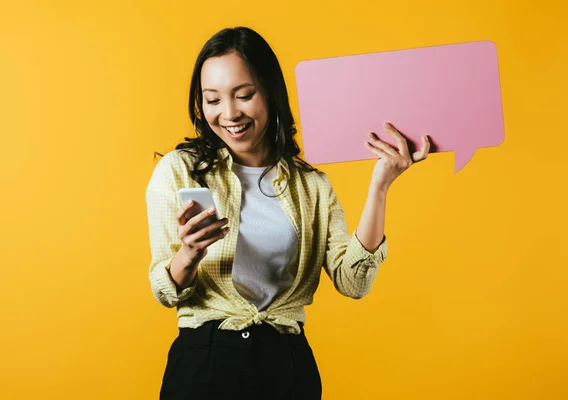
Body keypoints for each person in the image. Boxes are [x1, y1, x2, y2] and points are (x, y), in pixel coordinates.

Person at [145, 26, 430, 400]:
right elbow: (165, 291)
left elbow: (353, 282)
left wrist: (380, 187)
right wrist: (189, 254)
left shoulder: (311, 185)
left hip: (285, 366)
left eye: (244, 95)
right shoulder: (181, 170)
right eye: (212, 100)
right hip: (206, 363)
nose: (229, 113)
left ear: (270, 93)